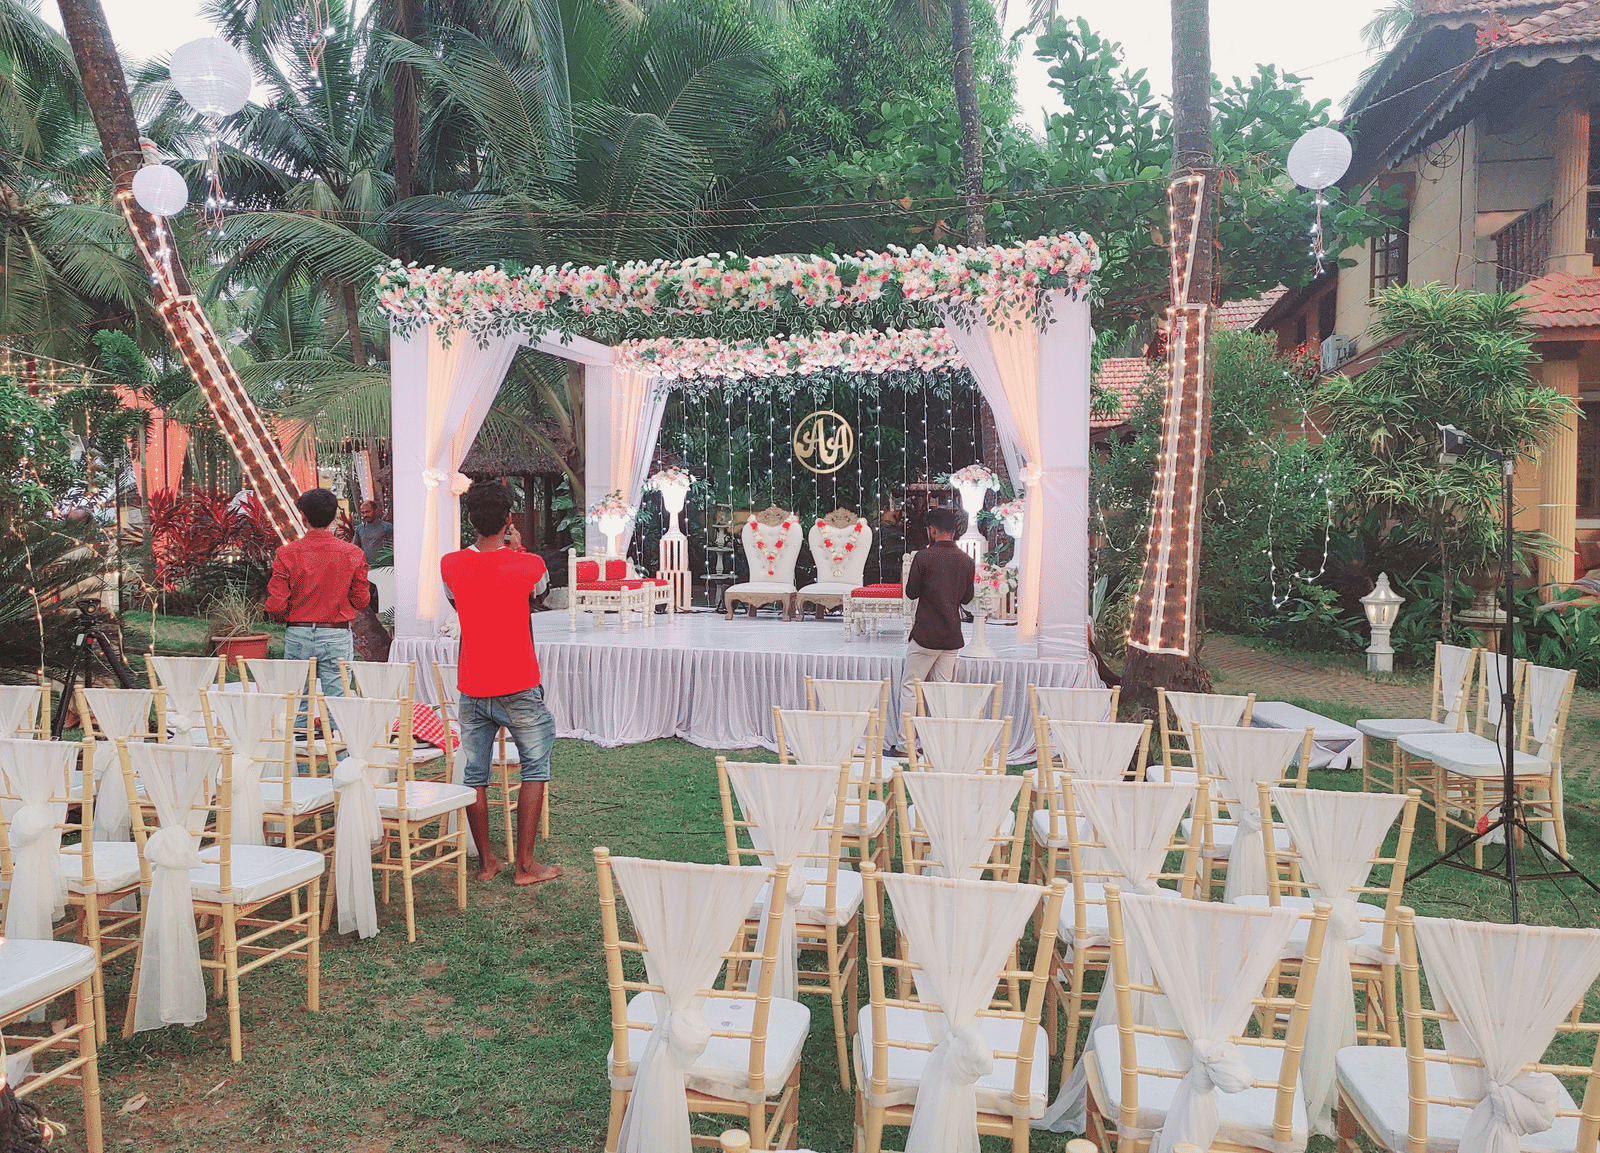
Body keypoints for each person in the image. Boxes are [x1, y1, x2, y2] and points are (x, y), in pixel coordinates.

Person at [441, 481, 560, 886]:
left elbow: (456, 601)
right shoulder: (530, 564)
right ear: (509, 519)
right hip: (519, 681)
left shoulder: (451, 564)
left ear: (470, 520)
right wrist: (518, 550)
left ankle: (488, 861)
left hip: (473, 683)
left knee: (475, 774)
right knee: (535, 768)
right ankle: (526, 865)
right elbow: (538, 594)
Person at [265, 488, 369, 700]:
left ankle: (303, 732)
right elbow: (361, 599)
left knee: (298, 695)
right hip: (335, 632)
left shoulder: (287, 553)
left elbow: (276, 604)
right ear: (334, 517)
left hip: (298, 631)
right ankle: (333, 731)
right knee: (337, 697)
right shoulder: (353, 553)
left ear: (303, 516)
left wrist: (292, 617)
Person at [896, 505, 976, 743]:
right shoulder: (967, 560)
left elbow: (911, 593)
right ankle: (939, 743)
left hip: (926, 634)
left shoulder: (923, 557)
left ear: (932, 530)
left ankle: (905, 743)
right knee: (942, 691)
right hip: (952, 636)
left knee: (911, 686)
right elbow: (967, 599)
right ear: (953, 531)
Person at [352, 500, 394, 565]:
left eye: (368, 512)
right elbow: (355, 548)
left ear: (375, 510)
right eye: (363, 513)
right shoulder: (359, 529)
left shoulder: (387, 527)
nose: (365, 515)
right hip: (366, 569)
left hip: (383, 568)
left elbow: (392, 549)